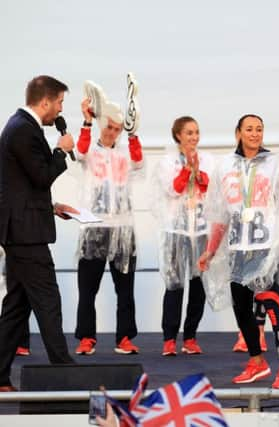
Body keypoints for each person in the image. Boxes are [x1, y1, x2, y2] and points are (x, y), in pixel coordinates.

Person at [198, 114, 279, 389]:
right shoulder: (225, 165)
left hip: (265, 246)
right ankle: (257, 361)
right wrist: (210, 251)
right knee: (242, 308)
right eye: (249, 129)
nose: (255, 134)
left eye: (259, 129)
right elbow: (221, 214)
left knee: (271, 304)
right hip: (238, 247)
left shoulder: (275, 161)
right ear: (238, 133)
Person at [0, 75, 77, 391]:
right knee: (47, 299)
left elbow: (24, 185)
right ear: (45, 101)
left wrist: (52, 206)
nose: (60, 109)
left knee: (17, 308)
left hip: (22, 230)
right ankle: (64, 370)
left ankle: (0, 376)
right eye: (59, 102)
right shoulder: (23, 130)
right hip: (25, 235)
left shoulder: (21, 127)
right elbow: (42, 175)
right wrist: (61, 151)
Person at [73, 90, 144, 356]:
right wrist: (87, 122)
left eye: (117, 129)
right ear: (102, 126)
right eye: (109, 127)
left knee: (125, 289)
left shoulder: (126, 153)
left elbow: (139, 163)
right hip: (94, 227)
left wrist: (133, 132)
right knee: (87, 288)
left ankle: (124, 337)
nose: (113, 132)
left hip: (123, 229)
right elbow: (78, 153)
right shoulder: (90, 150)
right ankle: (86, 338)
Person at [154, 116, 212, 356]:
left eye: (196, 132)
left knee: (199, 285)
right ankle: (169, 338)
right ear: (178, 134)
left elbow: (210, 187)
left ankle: (190, 337)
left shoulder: (207, 158)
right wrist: (187, 168)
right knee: (174, 284)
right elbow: (172, 189)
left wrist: (198, 172)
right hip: (176, 230)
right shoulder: (167, 161)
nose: (194, 137)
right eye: (189, 133)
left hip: (200, 229)